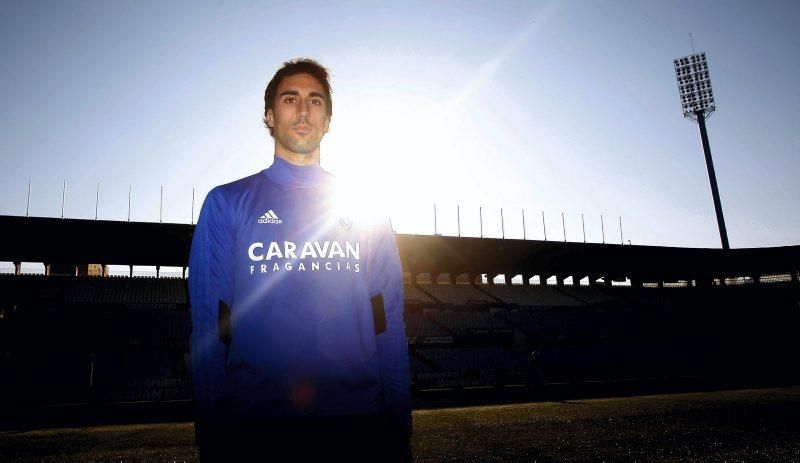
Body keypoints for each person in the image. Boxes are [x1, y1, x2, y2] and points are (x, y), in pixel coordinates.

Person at [188, 58, 412, 462]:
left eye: (316, 101)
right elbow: (209, 324)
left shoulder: (367, 208)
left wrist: (399, 425)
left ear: (328, 120)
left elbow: (387, 320)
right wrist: (212, 433)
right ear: (270, 117)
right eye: (290, 99)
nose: (304, 109)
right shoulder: (226, 203)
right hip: (257, 428)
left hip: (359, 424)